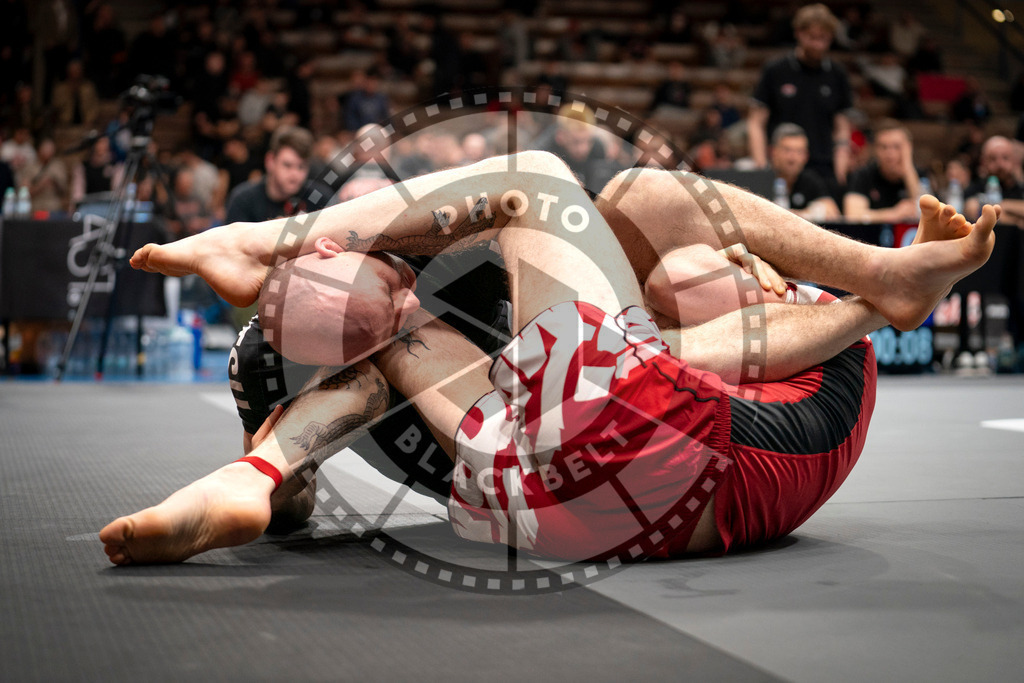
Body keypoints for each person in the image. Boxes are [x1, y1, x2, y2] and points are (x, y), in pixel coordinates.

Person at [104, 152, 996, 565]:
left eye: (727, 264)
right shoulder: (770, 355)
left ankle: (262, 241)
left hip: (622, 468)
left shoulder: (798, 337)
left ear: (770, 286)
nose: (689, 269)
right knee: (403, 334)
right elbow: (679, 341)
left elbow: (689, 345)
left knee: (543, 180)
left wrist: (868, 298)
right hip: (563, 501)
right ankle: (256, 473)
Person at [748, 4, 854, 188]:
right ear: (798, 33)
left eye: (823, 38)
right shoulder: (776, 70)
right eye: (812, 37)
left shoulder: (837, 74)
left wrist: (840, 170)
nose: (818, 44)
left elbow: (842, 128)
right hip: (781, 169)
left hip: (823, 168)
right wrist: (761, 167)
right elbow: (756, 122)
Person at [225, 125, 313, 224]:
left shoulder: (318, 197)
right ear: (270, 161)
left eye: (301, 167)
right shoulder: (243, 200)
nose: (295, 174)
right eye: (287, 165)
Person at [843, 120, 922, 223]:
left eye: (896, 147)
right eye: (884, 147)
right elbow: (852, 216)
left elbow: (925, 212)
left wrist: (908, 170)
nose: (890, 153)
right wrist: (894, 214)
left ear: (908, 148)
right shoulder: (863, 175)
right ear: (876, 149)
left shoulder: (920, 174)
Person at [769, 123, 841, 221]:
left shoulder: (809, 179)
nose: (792, 158)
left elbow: (832, 212)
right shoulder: (760, 179)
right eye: (787, 150)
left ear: (806, 156)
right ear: (773, 152)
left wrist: (797, 215)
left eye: (799, 152)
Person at [964, 135, 1024, 225]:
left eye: (1005, 158)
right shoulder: (975, 188)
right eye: (993, 159)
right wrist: (1017, 218)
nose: (1000, 164)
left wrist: (1001, 205)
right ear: (983, 161)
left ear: (1014, 160)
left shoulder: (1020, 188)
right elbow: (971, 210)